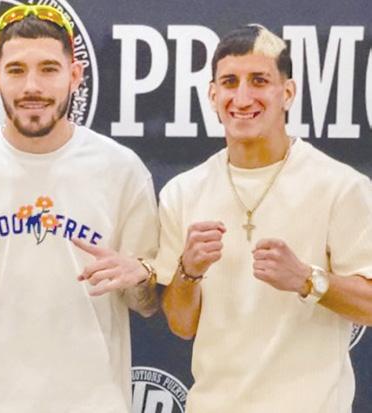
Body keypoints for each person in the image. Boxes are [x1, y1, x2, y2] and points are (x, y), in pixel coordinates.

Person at [0, 5, 159, 412]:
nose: (32, 86)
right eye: (16, 70)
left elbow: (148, 303)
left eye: (49, 69)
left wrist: (139, 278)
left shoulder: (122, 170)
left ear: (75, 75)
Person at [157, 24, 372, 412]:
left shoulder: (342, 187)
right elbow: (181, 325)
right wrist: (188, 272)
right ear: (213, 95)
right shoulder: (182, 193)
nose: (242, 98)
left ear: (287, 92)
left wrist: (307, 280)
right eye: (230, 82)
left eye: (259, 80)